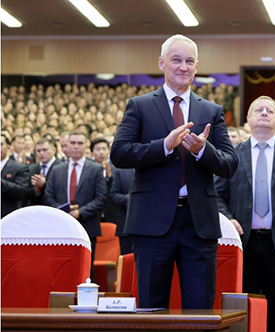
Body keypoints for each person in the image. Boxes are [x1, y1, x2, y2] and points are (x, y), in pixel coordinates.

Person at [110, 34, 238, 309]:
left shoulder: (212, 110)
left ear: (196, 65)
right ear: (162, 63)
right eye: (176, 60)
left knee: (199, 308)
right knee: (151, 308)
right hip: (151, 222)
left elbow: (229, 164)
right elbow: (119, 154)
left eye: (189, 61)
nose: (183, 66)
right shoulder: (140, 105)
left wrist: (203, 151)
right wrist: (164, 146)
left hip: (198, 223)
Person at [216, 96, 275, 332]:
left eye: (270, 110)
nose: (264, 113)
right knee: (242, 310)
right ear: (248, 118)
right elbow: (217, 196)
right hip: (243, 244)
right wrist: (228, 219)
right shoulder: (232, 155)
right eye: (258, 109)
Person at [44, 130, 107, 276]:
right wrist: (63, 212)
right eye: (73, 143)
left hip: (87, 225)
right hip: (61, 226)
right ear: (66, 146)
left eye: (80, 143)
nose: (76, 146)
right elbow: (48, 197)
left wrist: (80, 212)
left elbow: (102, 198)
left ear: (86, 146)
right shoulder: (57, 169)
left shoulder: (96, 169)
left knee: (86, 270)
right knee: (62, 269)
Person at [27, 138, 63, 206]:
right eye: (38, 151)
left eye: (45, 150)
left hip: (55, 208)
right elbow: (26, 193)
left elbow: (61, 191)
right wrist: (36, 190)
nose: (41, 153)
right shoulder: (32, 169)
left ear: (53, 150)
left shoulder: (61, 167)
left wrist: (44, 184)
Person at [1, 134, 30, 218]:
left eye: (1, 144)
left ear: (9, 147)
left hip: (8, 217)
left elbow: (22, 192)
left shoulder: (19, 167)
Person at [91, 137, 118, 224]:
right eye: (98, 149)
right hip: (92, 214)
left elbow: (117, 190)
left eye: (104, 149)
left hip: (111, 213)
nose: (101, 152)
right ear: (92, 152)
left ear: (109, 151)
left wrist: (109, 177)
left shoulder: (117, 169)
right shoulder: (87, 170)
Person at [109, 167, 135, 255]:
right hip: (126, 226)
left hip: (150, 228)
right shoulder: (121, 172)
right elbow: (113, 196)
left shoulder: (153, 169)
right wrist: (130, 199)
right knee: (127, 263)